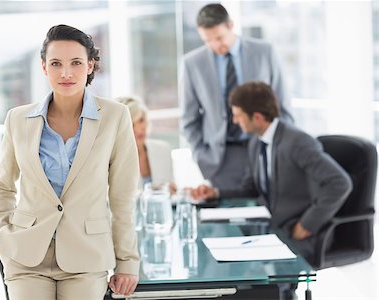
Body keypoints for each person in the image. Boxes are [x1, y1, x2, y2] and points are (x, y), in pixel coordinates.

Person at [0, 24, 139, 300]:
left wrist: (127, 261)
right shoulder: (17, 119)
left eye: (76, 63)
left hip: (86, 256)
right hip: (26, 256)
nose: (66, 73)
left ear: (91, 66)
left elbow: (123, 195)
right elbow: (3, 186)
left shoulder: (116, 116)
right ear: (44, 67)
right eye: (56, 63)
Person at [192, 81, 352, 262]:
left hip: (301, 233)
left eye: (238, 116)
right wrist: (215, 192)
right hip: (273, 228)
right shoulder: (256, 142)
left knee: (253, 272)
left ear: (258, 117)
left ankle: (284, 291)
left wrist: (307, 225)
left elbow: (340, 182)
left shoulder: (297, 142)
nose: (235, 121)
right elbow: (250, 188)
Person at [181, 3, 293, 191]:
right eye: (208, 40)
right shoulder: (192, 64)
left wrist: (282, 150)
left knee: (267, 211)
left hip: (263, 149)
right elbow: (189, 119)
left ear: (231, 26)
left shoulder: (265, 52)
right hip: (220, 159)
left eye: (219, 37)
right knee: (225, 215)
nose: (216, 45)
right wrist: (201, 155)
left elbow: (283, 107)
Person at [117, 96, 177, 195]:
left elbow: (172, 190)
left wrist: (173, 190)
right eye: (132, 124)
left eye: (141, 120)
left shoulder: (163, 149)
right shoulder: (114, 159)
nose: (139, 129)